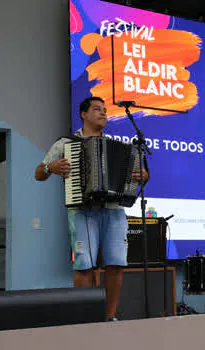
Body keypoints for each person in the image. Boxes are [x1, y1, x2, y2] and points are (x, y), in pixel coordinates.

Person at [34, 96, 149, 321]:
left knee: (116, 265)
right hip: (82, 211)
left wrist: (141, 176)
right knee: (84, 266)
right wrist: (51, 166)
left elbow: (133, 177)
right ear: (83, 115)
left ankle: (109, 317)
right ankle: (82, 319)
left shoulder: (119, 147)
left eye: (105, 110)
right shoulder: (65, 144)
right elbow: (38, 173)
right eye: (97, 109)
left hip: (114, 210)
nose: (103, 113)